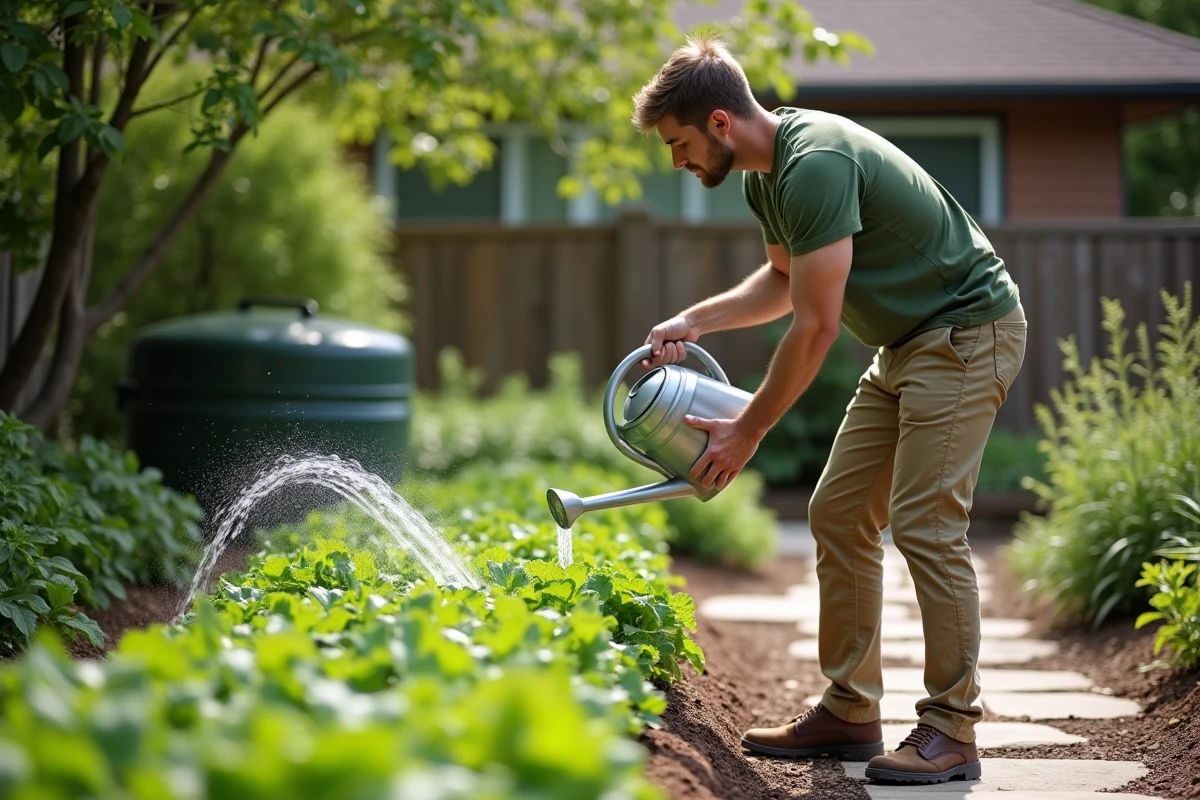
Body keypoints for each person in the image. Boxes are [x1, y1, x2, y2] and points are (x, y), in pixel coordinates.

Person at [630, 34, 1027, 785]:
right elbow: (787, 282)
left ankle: (952, 730)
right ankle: (850, 711)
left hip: (967, 333)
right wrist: (697, 320)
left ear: (719, 123)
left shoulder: (814, 162)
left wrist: (748, 429)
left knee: (925, 522)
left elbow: (814, 329)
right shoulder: (764, 177)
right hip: (906, 346)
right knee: (839, 512)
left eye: (679, 144)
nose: (676, 163)